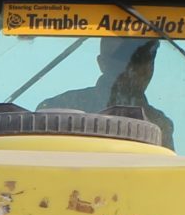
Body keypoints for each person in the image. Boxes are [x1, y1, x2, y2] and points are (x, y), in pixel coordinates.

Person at [40, 37, 176, 148]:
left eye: (143, 61)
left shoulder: (160, 124)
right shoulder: (59, 109)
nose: (135, 71)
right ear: (102, 64)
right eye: (124, 61)